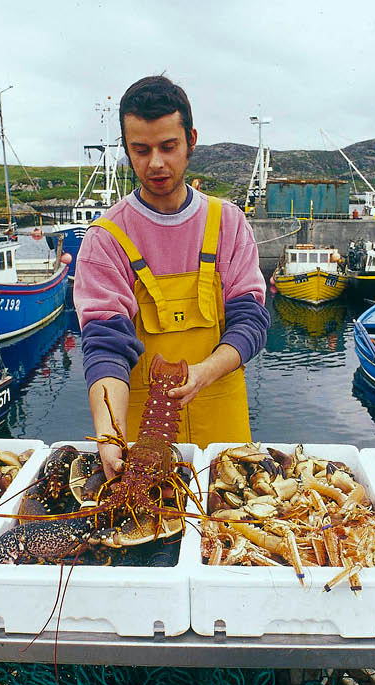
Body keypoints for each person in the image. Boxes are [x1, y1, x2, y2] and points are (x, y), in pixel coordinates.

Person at [73, 75, 269, 479]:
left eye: (168, 146)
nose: (156, 163)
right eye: (141, 150)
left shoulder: (228, 223)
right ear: (126, 150)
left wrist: (205, 372)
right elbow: (106, 345)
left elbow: (250, 321)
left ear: (191, 139)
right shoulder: (105, 238)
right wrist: (110, 437)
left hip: (226, 435)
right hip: (144, 443)